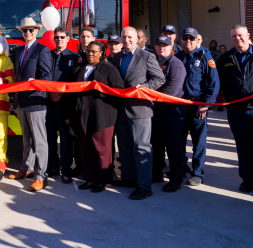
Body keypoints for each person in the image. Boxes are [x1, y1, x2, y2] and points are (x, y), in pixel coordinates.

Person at [111, 26, 165, 200]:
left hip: (140, 109)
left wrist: (144, 88)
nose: (126, 40)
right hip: (121, 110)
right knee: (125, 147)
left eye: (129, 37)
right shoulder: (117, 57)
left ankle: (144, 185)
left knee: (141, 148)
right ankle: (130, 179)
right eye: (123, 37)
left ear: (137, 39)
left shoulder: (147, 56)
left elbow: (159, 78)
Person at [217, 25, 253, 200]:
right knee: (243, 146)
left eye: (240, 35)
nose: (237, 39)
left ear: (248, 36)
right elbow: (219, 83)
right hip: (236, 111)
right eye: (234, 36)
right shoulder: (225, 59)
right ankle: (248, 181)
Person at [70, 41, 124, 193]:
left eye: (94, 51)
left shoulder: (109, 69)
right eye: (88, 51)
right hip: (83, 116)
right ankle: (89, 179)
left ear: (102, 54)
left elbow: (118, 90)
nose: (90, 54)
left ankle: (102, 180)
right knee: (86, 149)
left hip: (102, 116)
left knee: (102, 150)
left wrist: (101, 90)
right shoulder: (80, 68)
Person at [9, 17, 52, 192]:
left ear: (37, 31)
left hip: (36, 101)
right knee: (26, 139)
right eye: (25, 30)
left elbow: (47, 76)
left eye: (31, 30)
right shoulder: (19, 51)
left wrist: (37, 82)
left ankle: (41, 176)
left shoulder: (43, 50)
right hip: (21, 101)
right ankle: (26, 169)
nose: (28, 33)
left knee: (40, 141)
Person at [175, 27, 219, 186]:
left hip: (197, 106)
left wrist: (205, 105)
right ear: (180, 40)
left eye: (191, 39)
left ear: (196, 40)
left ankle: (198, 173)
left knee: (198, 141)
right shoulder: (177, 57)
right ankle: (181, 168)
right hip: (179, 106)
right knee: (178, 140)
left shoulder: (204, 56)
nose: (188, 41)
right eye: (185, 38)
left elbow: (214, 83)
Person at [151, 35, 187, 192]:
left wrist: (150, 96)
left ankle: (176, 178)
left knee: (174, 147)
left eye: (164, 45)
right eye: (158, 45)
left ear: (170, 46)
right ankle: (156, 173)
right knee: (156, 145)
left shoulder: (176, 64)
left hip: (171, 112)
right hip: (156, 111)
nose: (161, 48)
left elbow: (172, 89)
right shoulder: (155, 62)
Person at [46, 26, 80, 183]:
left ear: (68, 39)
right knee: (49, 137)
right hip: (48, 104)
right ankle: (51, 166)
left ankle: (66, 169)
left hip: (65, 105)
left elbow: (77, 83)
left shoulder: (75, 57)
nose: (59, 40)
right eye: (56, 37)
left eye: (62, 37)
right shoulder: (48, 55)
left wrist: (62, 94)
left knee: (66, 139)